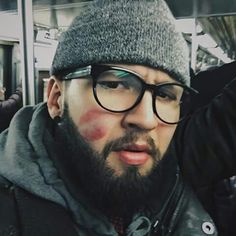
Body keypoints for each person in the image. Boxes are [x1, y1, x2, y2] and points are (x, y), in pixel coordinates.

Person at [0, 0, 235, 235]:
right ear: (56, 98)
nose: (146, 120)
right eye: (115, 84)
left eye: (165, 94)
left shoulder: (174, 185)